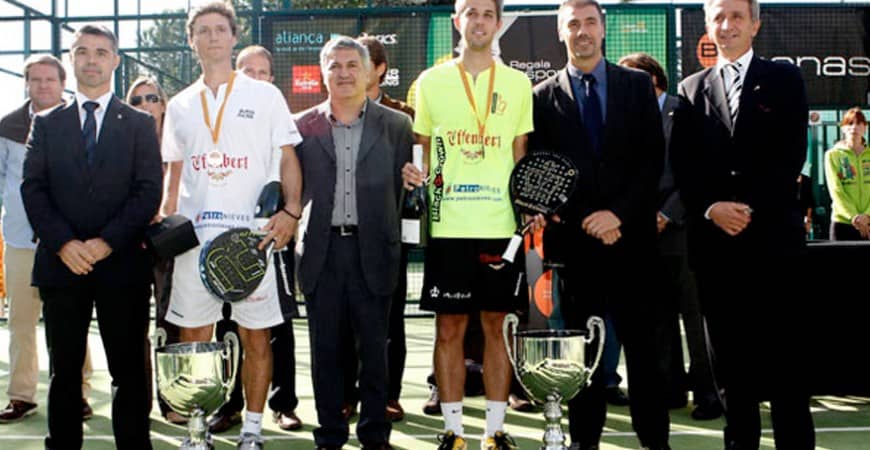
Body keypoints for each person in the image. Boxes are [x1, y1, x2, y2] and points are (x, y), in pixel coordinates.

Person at [670, 0, 815, 448]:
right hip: (717, 254)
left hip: (775, 246)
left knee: (787, 366)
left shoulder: (785, 79)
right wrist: (713, 208)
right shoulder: (691, 89)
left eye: (736, 16)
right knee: (732, 369)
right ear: (708, 26)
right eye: (718, 17)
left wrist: (744, 207)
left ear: (755, 23)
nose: (727, 25)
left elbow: (791, 153)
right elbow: (683, 165)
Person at [161, 3, 303, 449]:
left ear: (233, 36)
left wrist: (292, 212)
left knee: (256, 337)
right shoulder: (181, 104)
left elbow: (287, 158)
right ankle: (197, 429)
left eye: (219, 29)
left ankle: (253, 431)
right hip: (195, 241)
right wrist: (165, 224)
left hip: (252, 239)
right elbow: (175, 171)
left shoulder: (265, 96)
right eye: (202, 31)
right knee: (194, 340)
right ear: (191, 40)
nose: (211, 37)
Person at [529, 1, 670, 449]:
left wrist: (619, 215)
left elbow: (651, 161)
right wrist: (587, 220)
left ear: (603, 29)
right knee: (583, 356)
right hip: (577, 247)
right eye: (573, 23)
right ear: (560, 32)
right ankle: (584, 441)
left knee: (645, 352)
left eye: (590, 22)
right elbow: (546, 169)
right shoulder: (541, 96)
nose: (582, 31)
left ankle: (655, 440)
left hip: (634, 244)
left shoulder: (635, 86)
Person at [21, 25, 162, 449]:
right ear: (71, 60)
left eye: (101, 52)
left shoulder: (138, 123)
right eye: (82, 51)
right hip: (62, 265)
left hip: (121, 265)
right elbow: (34, 189)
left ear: (115, 61)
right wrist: (65, 244)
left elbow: (147, 190)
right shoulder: (45, 124)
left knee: (129, 371)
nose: (92, 59)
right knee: (64, 370)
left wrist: (106, 243)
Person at [402, 0, 533, 448]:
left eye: (486, 14)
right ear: (457, 21)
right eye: (469, 12)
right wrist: (413, 171)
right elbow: (420, 149)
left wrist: (524, 211)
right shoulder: (431, 82)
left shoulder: (517, 83)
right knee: (449, 329)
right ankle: (453, 432)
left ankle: (495, 431)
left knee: (497, 326)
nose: (478, 21)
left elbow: (519, 156)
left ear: (498, 23)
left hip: (499, 224)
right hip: (448, 225)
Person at [293, 35, 412, 450]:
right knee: (325, 352)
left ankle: (375, 436)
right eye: (335, 65)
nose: (343, 73)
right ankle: (329, 436)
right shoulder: (301, 126)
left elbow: (403, 190)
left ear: (369, 72)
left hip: (374, 251)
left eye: (351, 65)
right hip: (321, 253)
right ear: (323, 72)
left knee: (374, 355)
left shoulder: (397, 125)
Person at [617, 52, 723, 421]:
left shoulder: (684, 110)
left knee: (696, 317)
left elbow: (695, 171)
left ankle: (710, 393)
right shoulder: (626, 118)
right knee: (658, 315)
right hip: (643, 234)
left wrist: (667, 214)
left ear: (653, 80)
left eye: (633, 78)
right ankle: (670, 388)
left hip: (685, 230)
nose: (626, 85)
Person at [207, 44, 303, 434]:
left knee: (277, 325)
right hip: (224, 240)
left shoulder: (277, 116)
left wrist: (288, 215)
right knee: (227, 326)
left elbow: (290, 170)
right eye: (249, 71)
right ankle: (227, 404)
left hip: (270, 237)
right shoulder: (216, 117)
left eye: (264, 72)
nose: (257, 79)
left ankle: (283, 404)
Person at [0, 55, 96, 425]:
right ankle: (22, 396)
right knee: (21, 324)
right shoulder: (8, 126)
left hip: (68, 244)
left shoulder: (81, 122)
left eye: (49, 80)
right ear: (26, 84)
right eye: (35, 79)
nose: (42, 86)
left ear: (62, 82)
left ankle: (80, 393)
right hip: (22, 241)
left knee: (73, 323)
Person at [335, 34, 416, 423]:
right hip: (341, 240)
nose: (351, 72)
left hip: (387, 237)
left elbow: (413, 176)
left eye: (360, 64)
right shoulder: (323, 117)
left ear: (378, 70)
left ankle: (388, 396)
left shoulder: (403, 117)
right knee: (345, 323)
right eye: (343, 64)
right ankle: (347, 396)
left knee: (389, 320)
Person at [124, 75, 189, 426]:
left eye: (151, 97)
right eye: (136, 100)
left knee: (171, 325)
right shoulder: (122, 141)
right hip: (129, 246)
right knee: (133, 328)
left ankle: (173, 401)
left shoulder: (179, 140)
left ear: (163, 104)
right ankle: (138, 403)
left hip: (169, 244)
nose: (145, 105)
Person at [824, 107, 870, 240]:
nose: (854, 128)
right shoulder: (832, 155)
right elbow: (836, 190)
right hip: (843, 223)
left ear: (865, 128)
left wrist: (866, 216)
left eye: (859, 123)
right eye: (850, 123)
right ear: (843, 128)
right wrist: (854, 217)